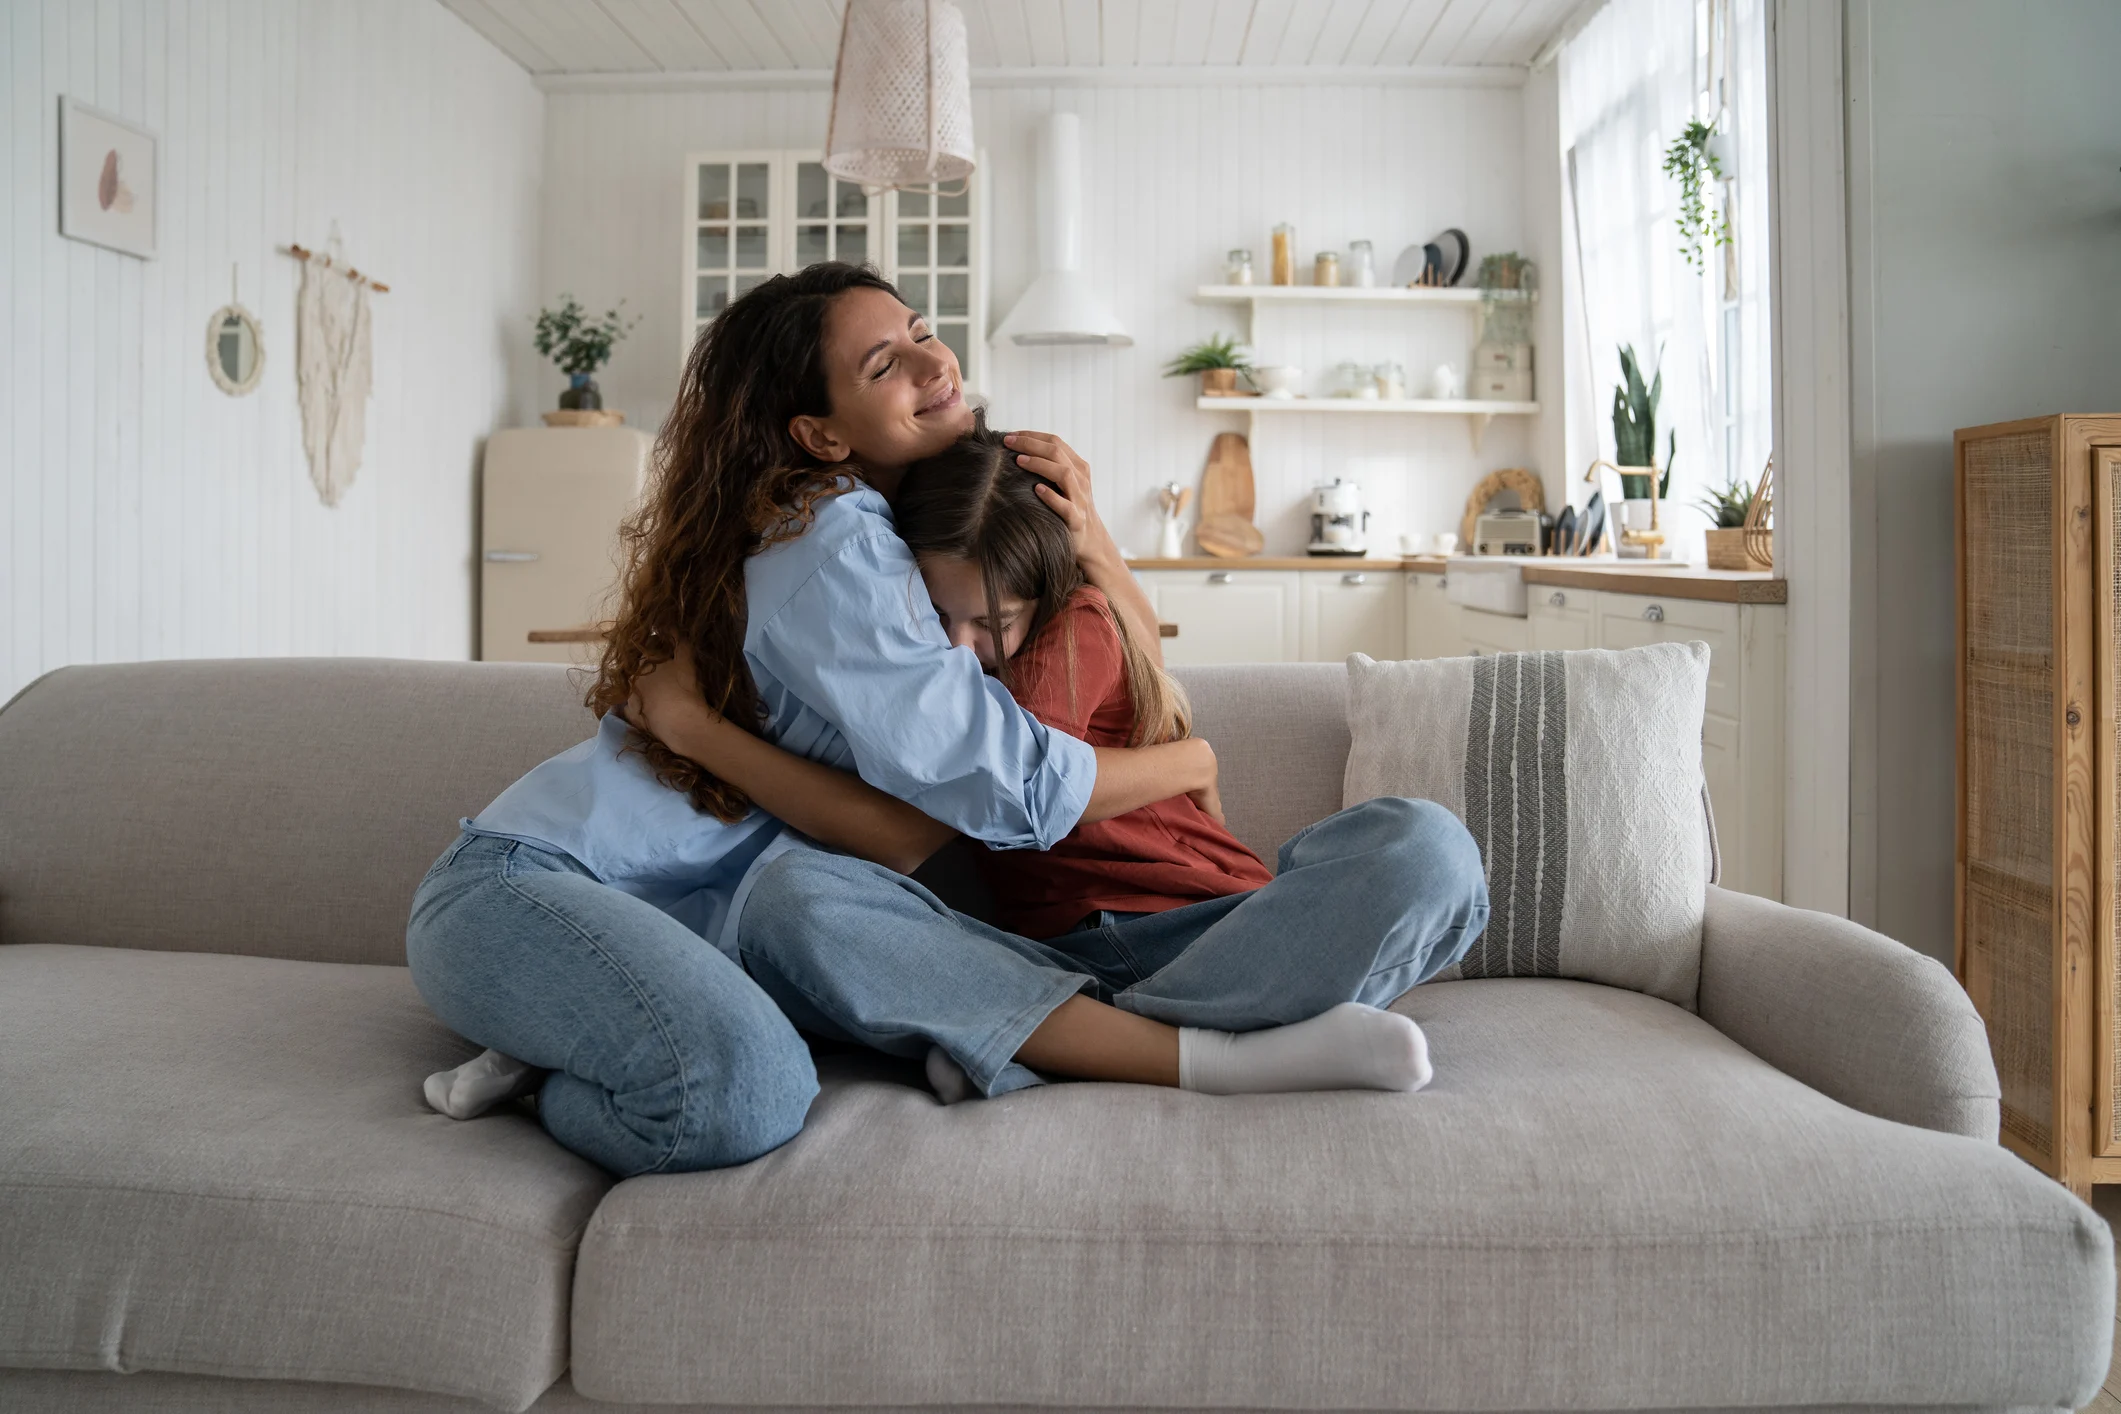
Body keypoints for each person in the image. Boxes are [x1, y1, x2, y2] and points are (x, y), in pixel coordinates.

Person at [408, 264, 1230, 1176]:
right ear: (818, 434)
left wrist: (1095, 539)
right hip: (536, 883)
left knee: (820, 1017)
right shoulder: (836, 535)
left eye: (921, 330)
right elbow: (1010, 791)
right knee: (736, 1097)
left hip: (688, 933)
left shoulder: (936, 543)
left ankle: (573, 1045)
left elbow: (941, 806)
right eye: (883, 365)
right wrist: (1189, 763)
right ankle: (578, 1059)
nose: (932, 363)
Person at [625, 413, 1490, 1104]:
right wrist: (1190, 759)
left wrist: (698, 733)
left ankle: (1062, 1039)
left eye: (990, 623)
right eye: (938, 617)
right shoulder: (921, 668)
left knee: (1427, 847)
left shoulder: (1065, 631)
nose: (963, 650)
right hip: (1033, 959)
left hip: (1210, 931)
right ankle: (1145, 1039)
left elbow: (1004, 796)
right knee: (787, 902)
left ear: (1038, 592)